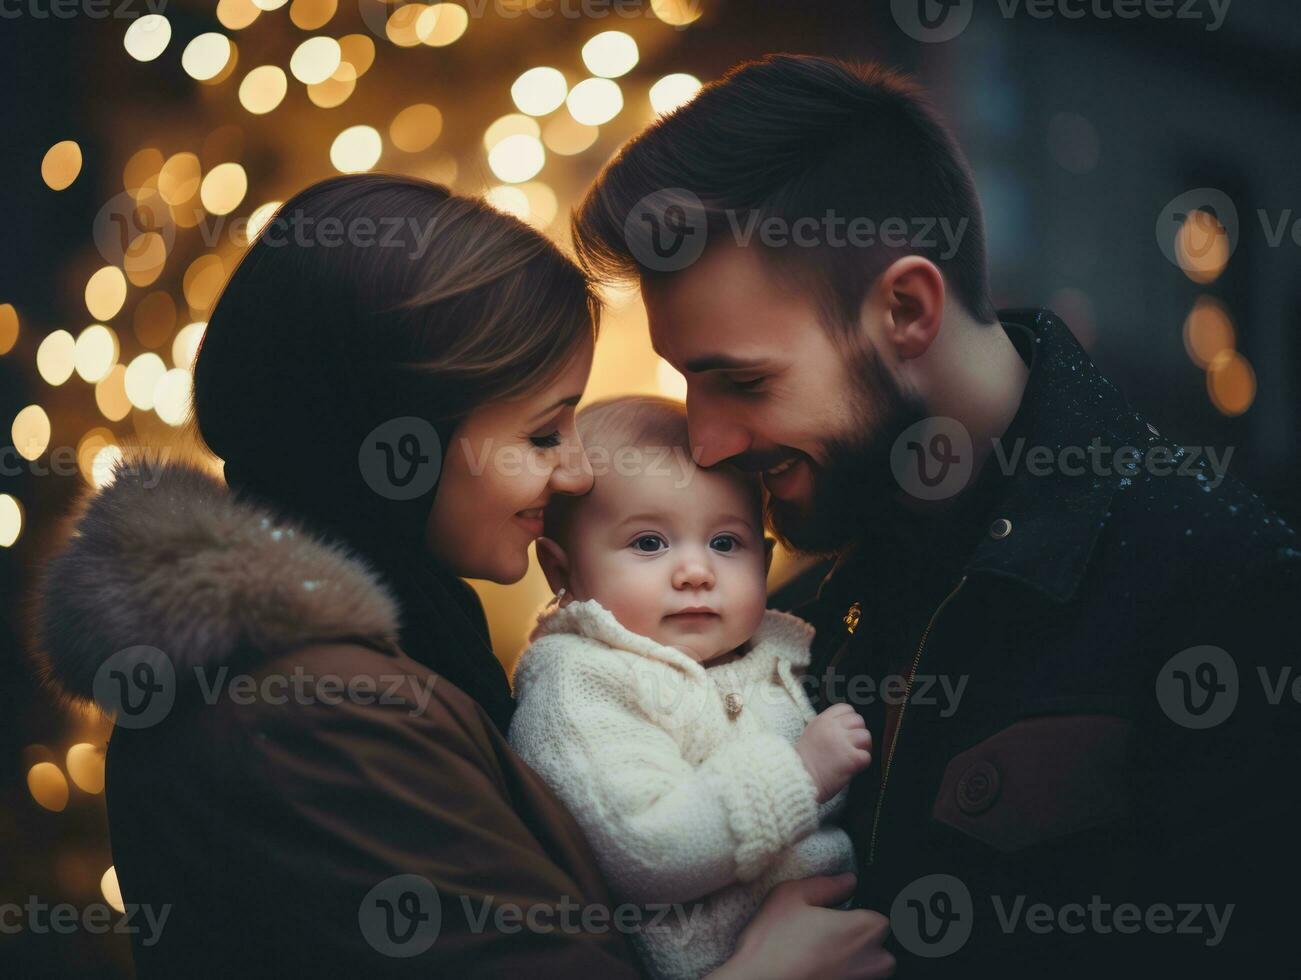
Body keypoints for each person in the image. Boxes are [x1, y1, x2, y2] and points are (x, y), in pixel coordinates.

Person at [33, 174, 896, 978]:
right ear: (402, 443)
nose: (575, 475)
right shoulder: (310, 718)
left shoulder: (390, 650)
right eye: (542, 434)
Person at [570, 53, 1301, 976]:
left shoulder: (1220, 586)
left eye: (743, 380)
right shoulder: (785, 609)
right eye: (688, 384)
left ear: (906, 309)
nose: (707, 442)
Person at [508, 395, 868, 979]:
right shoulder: (580, 686)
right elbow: (647, 849)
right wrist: (799, 773)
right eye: (649, 543)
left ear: (764, 560)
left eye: (726, 543)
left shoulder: (784, 655)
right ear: (562, 570)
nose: (696, 570)